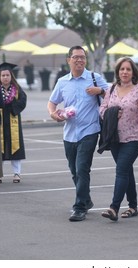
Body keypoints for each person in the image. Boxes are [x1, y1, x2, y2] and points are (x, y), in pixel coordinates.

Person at [47, 46, 109, 222]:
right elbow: (52, 103)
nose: (79, 60)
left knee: (82, 168)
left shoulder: (94, 78)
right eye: (76, 57)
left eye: (82, 57)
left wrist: (101, 91)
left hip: (89, 131)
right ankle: (87, 200)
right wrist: (53, 114)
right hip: (69, 133)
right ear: (69, 60)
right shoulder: (62, 82)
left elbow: (113, 94)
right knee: (74, 170)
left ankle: (79, 207)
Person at [100, 57, 138, 222]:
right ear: (117, 72)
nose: (124, 72)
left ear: (133, 72)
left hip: (133, 137)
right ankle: (133, 206)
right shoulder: (112, 89)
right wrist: (111, 113)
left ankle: (114, 207)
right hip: (115, 137)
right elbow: (102, 109)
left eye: (128, 69)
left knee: (121, 170)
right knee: (127, 171)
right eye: (122, 69)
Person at [0, 62, 27, 184]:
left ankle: (17, 173)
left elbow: (23, 101)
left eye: (7, 75)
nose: (5, 77)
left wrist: (13, 107)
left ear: (11, 76)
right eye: (3, 75)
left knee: (15, 147)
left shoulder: (17, 89)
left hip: (13, 120)